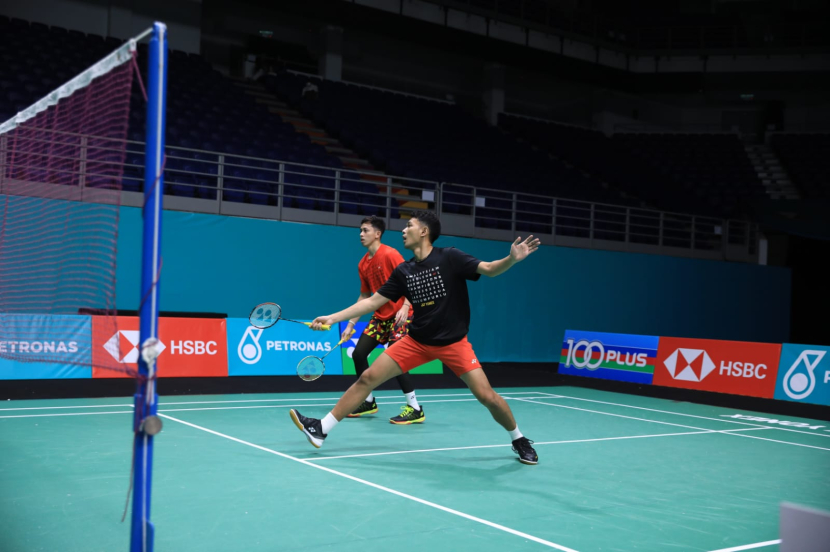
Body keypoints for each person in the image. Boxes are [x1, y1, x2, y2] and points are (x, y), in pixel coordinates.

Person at [290, 211, 541, 465]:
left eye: (409, 226)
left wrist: (511, 258)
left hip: (453, 343)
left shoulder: (450, 257)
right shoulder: (404, 270)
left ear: (424, 232)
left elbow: (488, 269)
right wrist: (333, 318)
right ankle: (321, 429)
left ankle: (518, 438)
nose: (403, 230)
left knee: (487, 396)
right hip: (417, 341)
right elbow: (374, 301)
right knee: (368, 377)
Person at [345, 216, 423, 424]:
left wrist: (406, 306)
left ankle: (415, 407)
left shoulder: (390, 254)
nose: (361, 234)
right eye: (360, 231)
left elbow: (411, 280)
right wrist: (351, 324)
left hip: (401, 314)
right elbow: (364, 296)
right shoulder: (363, 263)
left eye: (365, 230)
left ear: (377, 234)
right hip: (380, 317)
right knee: (359, 353)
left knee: (395, 359)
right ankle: (368, 401)